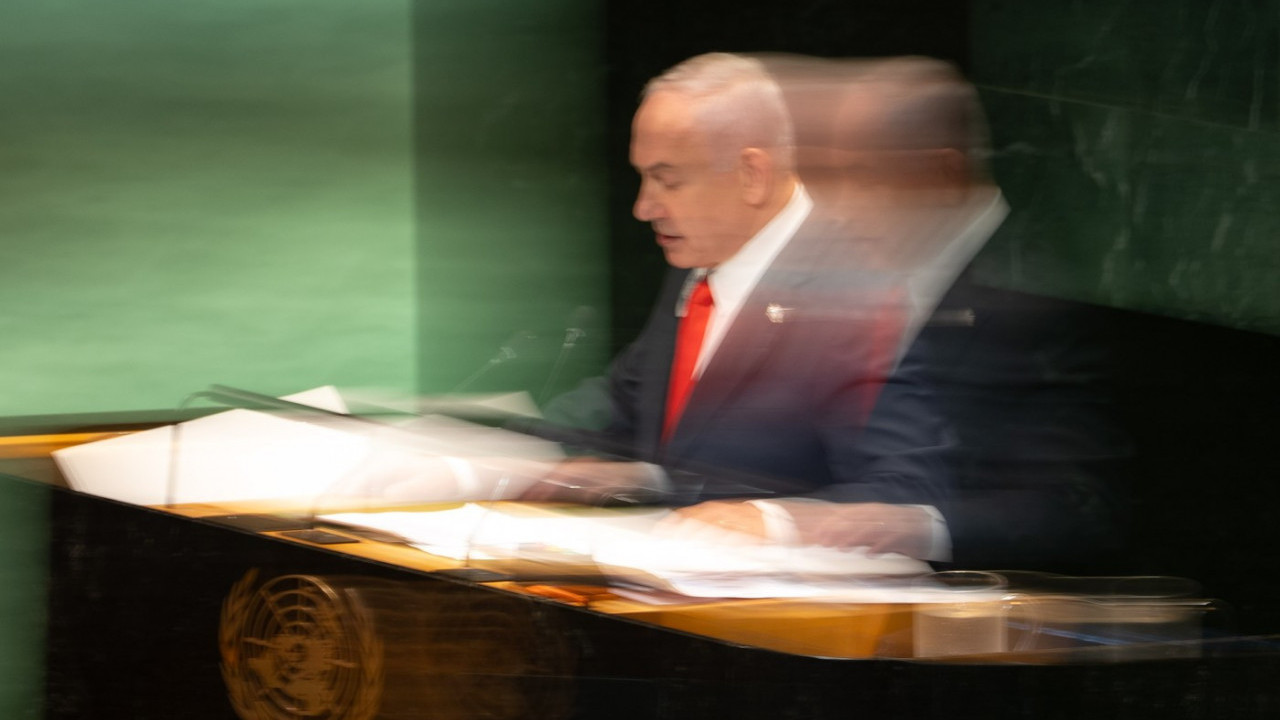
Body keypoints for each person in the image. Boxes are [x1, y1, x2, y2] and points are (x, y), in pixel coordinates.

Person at [521, 53, 952, 560]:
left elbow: (906, 491)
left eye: (668, 180)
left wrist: (773, 521)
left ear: (752, 174)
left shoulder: (853, 289)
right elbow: (628, 402)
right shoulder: (700, 258)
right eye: (642, 177)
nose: (643, 207)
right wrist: (500, 458)